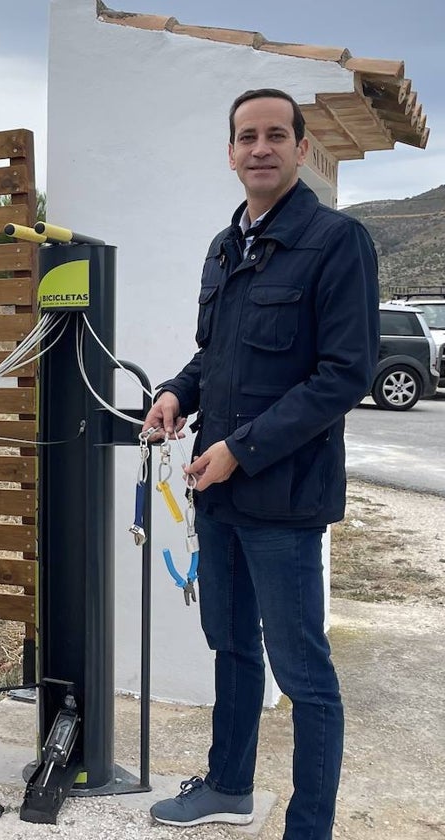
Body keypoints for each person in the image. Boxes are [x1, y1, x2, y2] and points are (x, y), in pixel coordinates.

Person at [143, 89, 379, 839]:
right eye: (247, 136)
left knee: (304, 672)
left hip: (283, 500)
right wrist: (177, 394)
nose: (261, 148)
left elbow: (344, 374)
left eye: (276, 135)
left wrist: (238, 450)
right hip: (220, 499)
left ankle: (310, 826)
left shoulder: (337, 241)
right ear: (232, 151)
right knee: (233, 646)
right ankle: (228, 786)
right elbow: (216, 353)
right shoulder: (226, 245)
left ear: (300, 148)